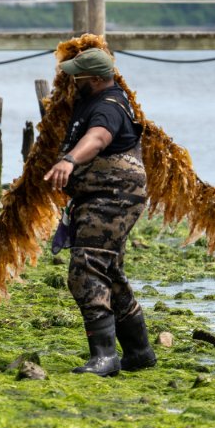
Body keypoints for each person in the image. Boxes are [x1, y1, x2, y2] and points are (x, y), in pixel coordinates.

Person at [43, 47, 155, 376]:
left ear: (94, 79)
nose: (71, 78)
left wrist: (69, 160)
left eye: (77, 75)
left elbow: (97, 138)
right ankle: (139, 353)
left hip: (112, 196)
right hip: (100, 195)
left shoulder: (109, 106)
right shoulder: (92, 100)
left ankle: (104, 357)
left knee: (86, 269)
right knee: (110, 271)